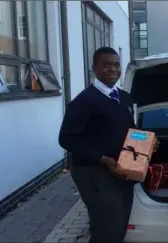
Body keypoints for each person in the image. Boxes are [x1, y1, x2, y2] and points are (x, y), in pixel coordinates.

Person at [58, 47, 136, 243]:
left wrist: (146, 144)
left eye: (116, 65)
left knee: (121, 221)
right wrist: (103, 159)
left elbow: (131, 130)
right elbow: (66, 139)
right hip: (92, 170)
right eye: (106, 65)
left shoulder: (124, 97)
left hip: (121, 168)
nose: (112, 69)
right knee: (108, 223)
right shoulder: (83, 102)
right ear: (95, 68)